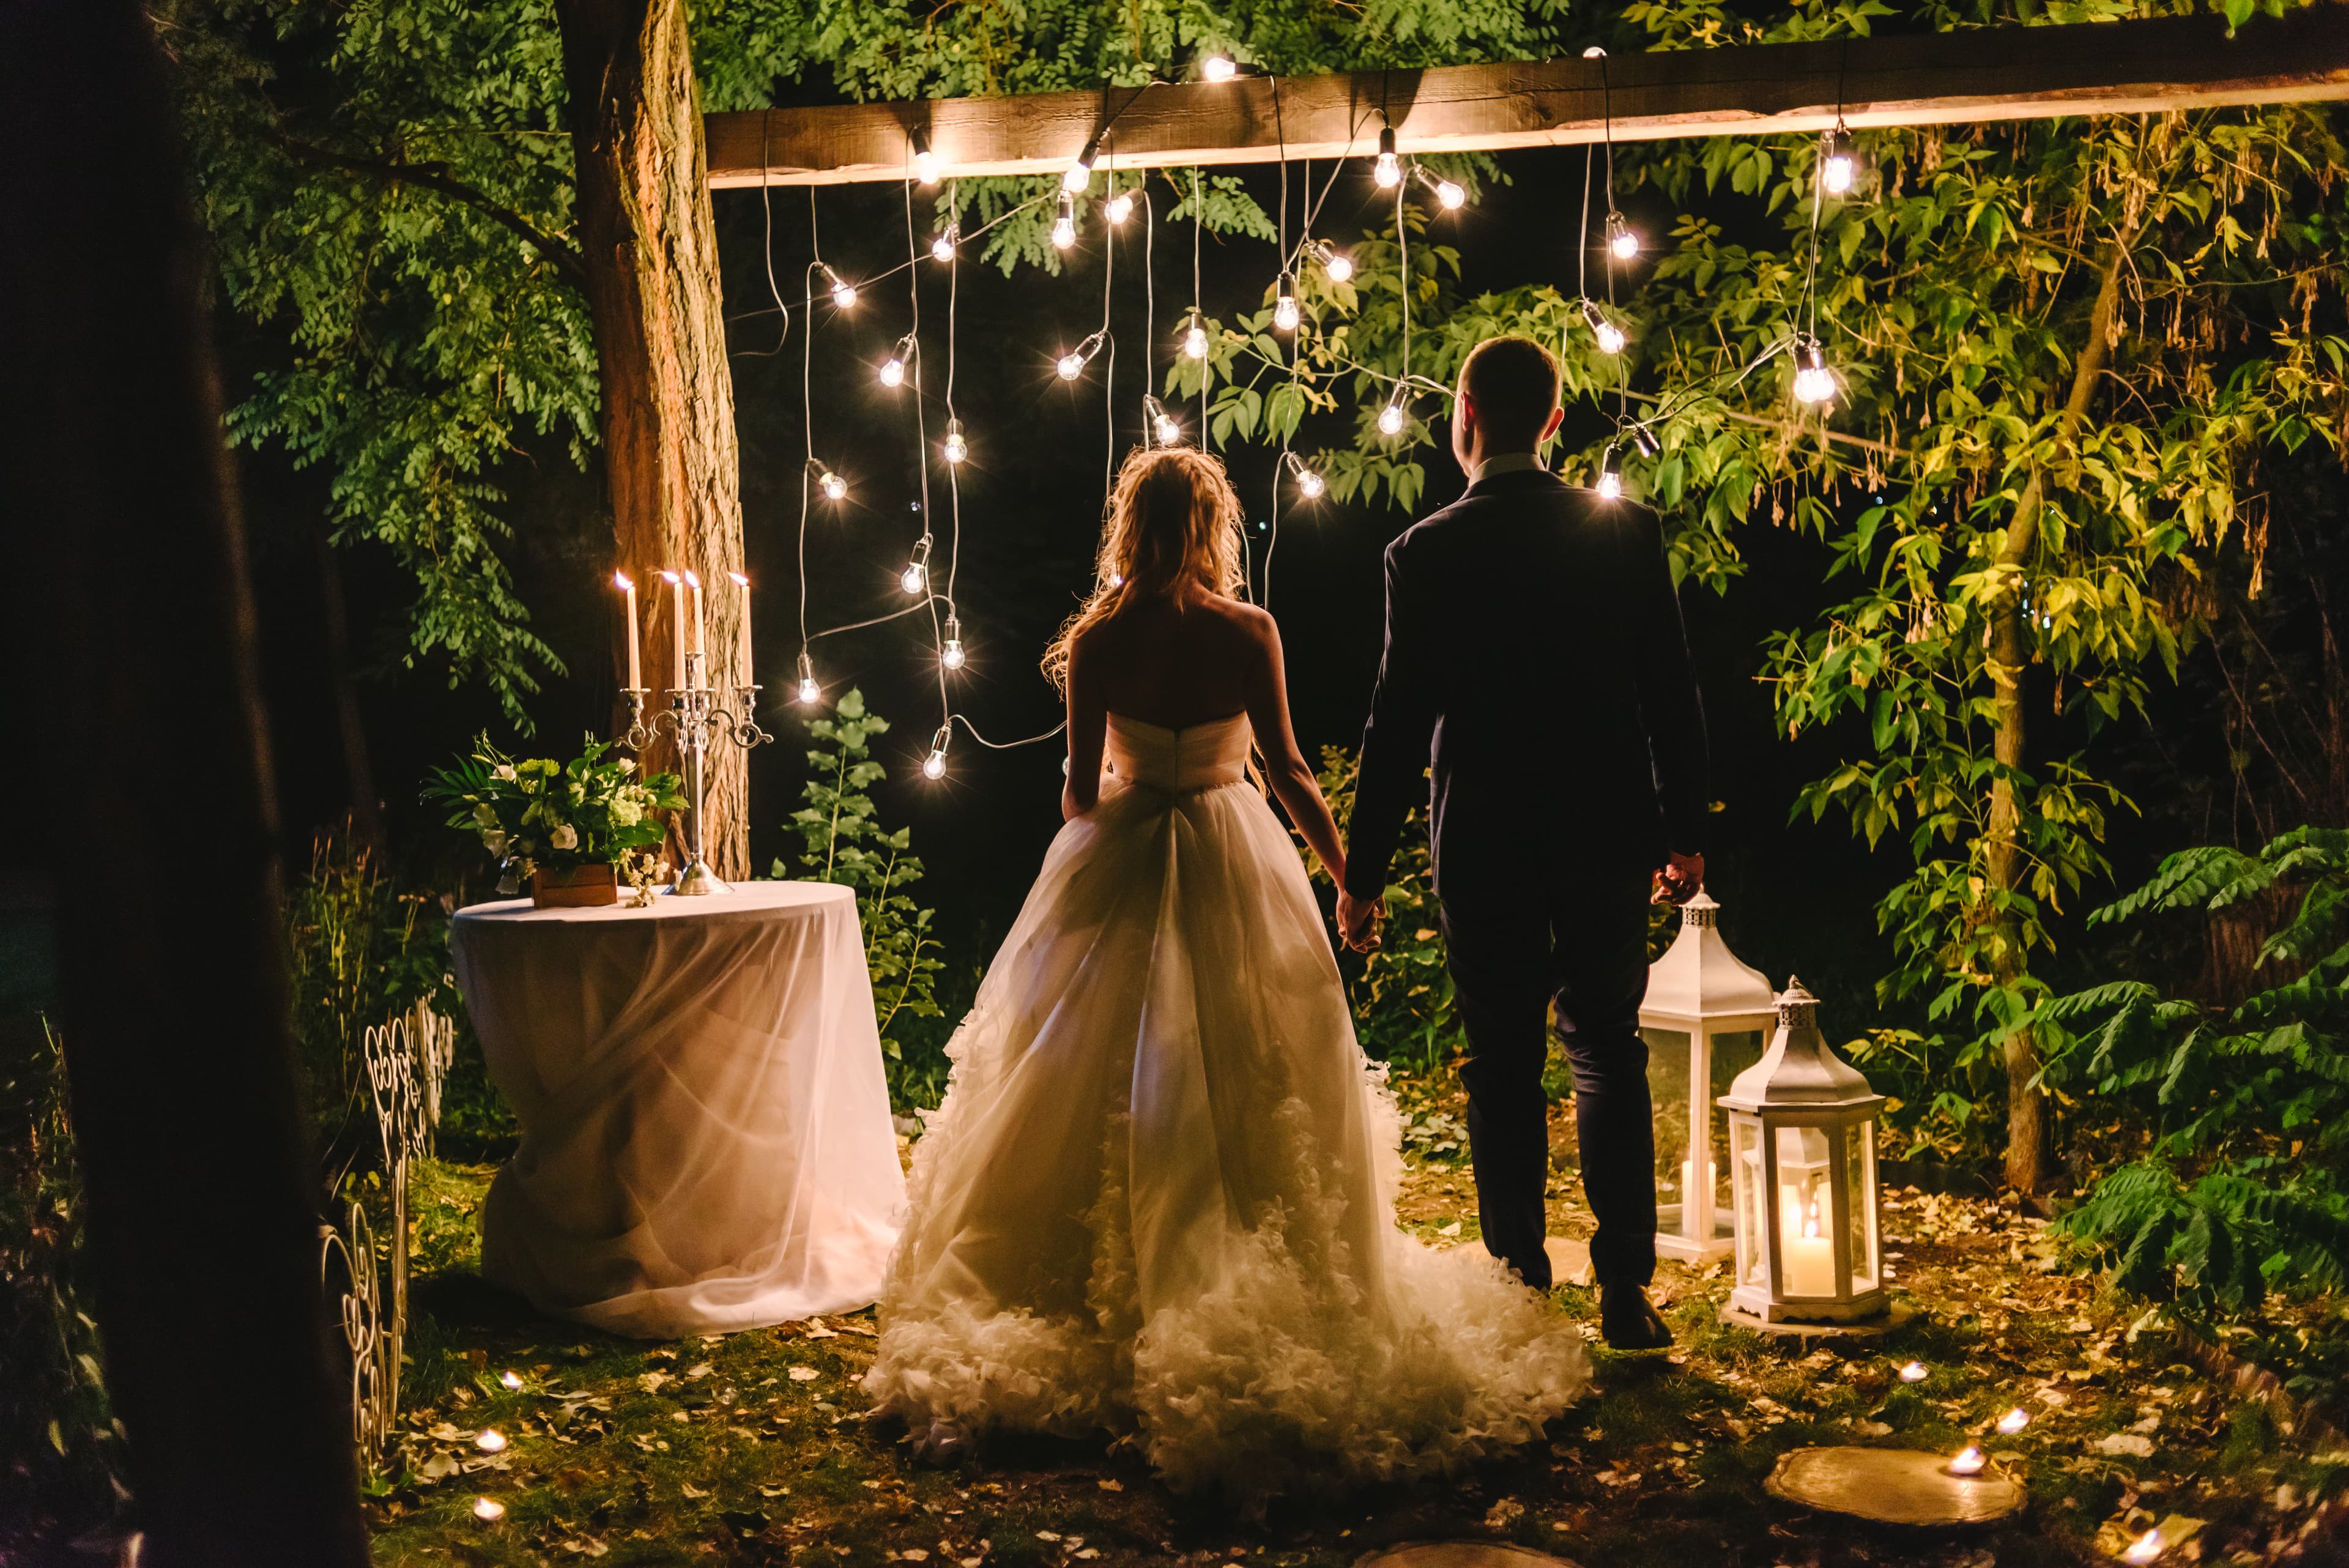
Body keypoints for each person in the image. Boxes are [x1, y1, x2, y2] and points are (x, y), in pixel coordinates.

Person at [864, 446, 1588, 1503]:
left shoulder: (1100, 642)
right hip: (1231, 848)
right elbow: (1288, 768)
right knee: (1256, 1062)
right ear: (1213, 527)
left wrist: (1125, 794)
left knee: (1083, 1067)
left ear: (1130, 525)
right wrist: (1351, 877)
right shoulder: (1250, 633)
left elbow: (1074, 791)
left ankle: (1077, 1284)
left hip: (1119, 850)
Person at [1337, 335, 1710, 1352]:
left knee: (1501, 1065)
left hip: (1485, 844)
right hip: (1603, 833)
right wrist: (1685, 831)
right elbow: (1671, 694)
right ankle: (1627, 1289)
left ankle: (1520, 1289)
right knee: (1607, 1050)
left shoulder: (1424, 552)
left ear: (1464, 411)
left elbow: (1395, 725)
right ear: (1554, 420)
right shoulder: (1625, 532)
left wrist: (1359, 879)